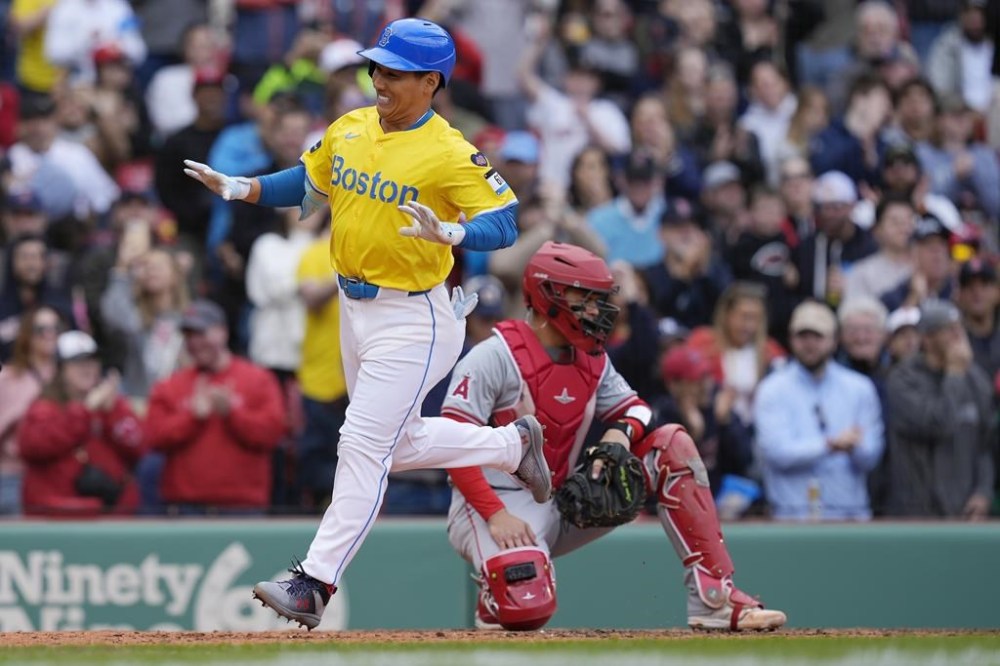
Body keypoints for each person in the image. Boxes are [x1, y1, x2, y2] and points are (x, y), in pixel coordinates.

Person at [183, 19, 552, 629]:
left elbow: (507, 217)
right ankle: (512, 444)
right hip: (355, 310)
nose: (378, 79)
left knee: (360, 444)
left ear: (431, 81)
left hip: (416, 315)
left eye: (394, 71)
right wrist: (243, 187)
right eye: (376, 67)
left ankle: (314, 582)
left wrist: (458, 231)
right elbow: (308, 181)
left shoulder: (449, 151)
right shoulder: (351, 125)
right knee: (394, 444)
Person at [442, 241, 786, 632]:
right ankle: (496, 594)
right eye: (584, 298)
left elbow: (638, 410)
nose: (596, 309)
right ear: (548, 295)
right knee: (525, 608)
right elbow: (453, 442)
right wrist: (496, 514)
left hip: (563, 496)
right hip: (493, 505)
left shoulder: (593, 357)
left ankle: (714, 598)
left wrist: (619, 436)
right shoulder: (494, 354)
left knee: (672, 444)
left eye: (598, 298)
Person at [143, 299, 287, 514]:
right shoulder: (170, 385)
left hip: (242, 509)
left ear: (223, 332)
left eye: (201, 333)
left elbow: (273, 433)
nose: (195, 342)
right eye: (189, 336)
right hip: (186, 510)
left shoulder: (258, 379)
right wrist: (191, 417)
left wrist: (233, 414)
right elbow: (152, 437)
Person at [753, 300, 885, 521]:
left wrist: (854, 447)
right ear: (791, 339)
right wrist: (830, 445)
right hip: (792, 516)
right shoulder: (772, 389)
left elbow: (871, 454)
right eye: (802, 336)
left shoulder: (859, 387)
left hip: (850, 515)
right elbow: (776, 452)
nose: (810, 344)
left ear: (834, 340)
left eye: (818, 336)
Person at [885, 299, 996, 517]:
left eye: (959, 328)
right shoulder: (902, 379)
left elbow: (986, 444)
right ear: (926, 338)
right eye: (948, 330)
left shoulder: (977, 380)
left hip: (964, 510)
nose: (958, 337)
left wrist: (983, 491)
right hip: (916, 513)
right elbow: (937, 424)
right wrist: (954, 374)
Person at [17, 331, 144, 516]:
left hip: (111, 518)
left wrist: (112, 414)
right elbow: (33, 446)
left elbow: (139, 447)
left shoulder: (113, 405)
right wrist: (85, 411)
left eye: (93, 361)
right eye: (78, 362)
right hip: (58, 520)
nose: (88, 368)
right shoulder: (44, 407)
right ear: (61, 369)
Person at [0, 306, 60, 515]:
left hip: (55, 477)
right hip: (13, 476)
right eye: (41, 328)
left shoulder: (69, 375)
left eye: (55, 328)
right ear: (27, 334)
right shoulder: (8, 378)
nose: (49, 334)